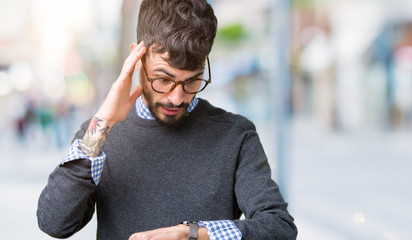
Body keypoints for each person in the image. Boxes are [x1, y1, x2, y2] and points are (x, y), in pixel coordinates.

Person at [37, 0, 298, 239]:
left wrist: (193, 234)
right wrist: (103, 121)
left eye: (192, 80)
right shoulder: (100, 135)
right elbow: (54, 222)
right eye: (163, 79)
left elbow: (279, 227)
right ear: (137, 60)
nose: (176, 97)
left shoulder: (236, 135)